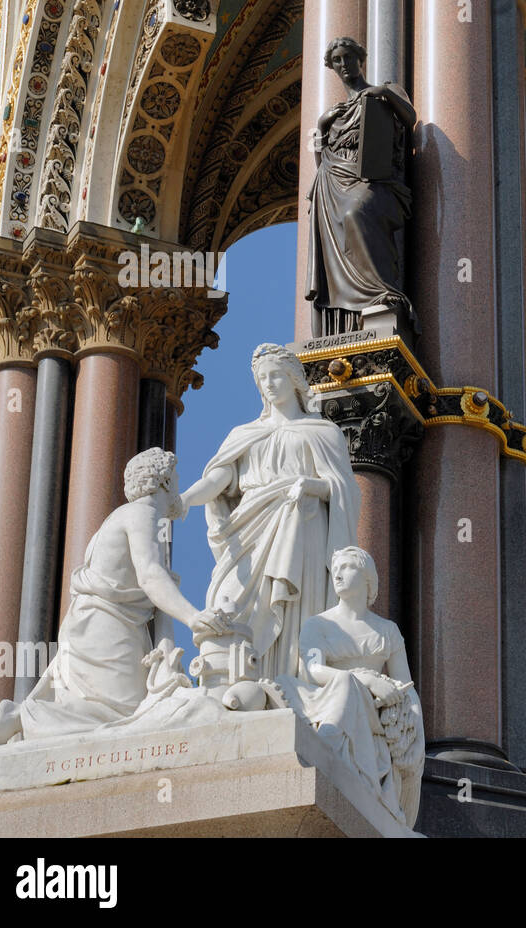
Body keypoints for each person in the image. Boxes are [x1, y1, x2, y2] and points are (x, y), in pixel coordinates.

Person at [0, 449, 234, 747]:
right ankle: (25, 717)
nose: (179, 485)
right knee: (122, 714)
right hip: (106, 626)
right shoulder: (143, 514)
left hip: (104, 624)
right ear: (164, 481)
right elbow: (150, 576)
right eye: (175, 478)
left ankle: (22, 717)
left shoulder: (123, 518)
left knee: (124, 711)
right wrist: (193, 616)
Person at [181, 343, 360, 680]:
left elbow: (343, 489)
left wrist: (308, 486)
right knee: (227, 602)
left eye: (276, 375)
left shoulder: (322, 432)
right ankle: (230, 684)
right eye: (263, 378)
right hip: (249, 528)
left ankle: (291, 683)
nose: (269, 384)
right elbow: (220, 478)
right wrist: (187, 498)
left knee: (295, 611)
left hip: (302, 526)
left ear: (294, 379)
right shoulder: (245, 434)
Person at [274, 547, 423, 827]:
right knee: (344, 681)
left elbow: (406, 686)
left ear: (367, 578)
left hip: (374, 712)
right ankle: (328, 744)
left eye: (347, 567)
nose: (338, 574)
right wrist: (364, 678)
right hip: (324, 697)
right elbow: (315, 670)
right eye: (336, 569)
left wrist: (413, 725)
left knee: (350, 686)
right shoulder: (318, 625)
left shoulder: (387, 631)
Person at [305, 35, 417, 337]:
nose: (343, 65)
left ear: (360, 59)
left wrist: (383, 93)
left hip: (374, 181)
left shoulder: (384, 92)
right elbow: (321, 161)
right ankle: (349, 312)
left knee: (358, 213)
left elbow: (410, 117)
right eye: (337, 61)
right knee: (342, 234)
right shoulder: (335, 112)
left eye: (347, 57)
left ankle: (380, 290)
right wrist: (322, 124)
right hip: (334, 184)